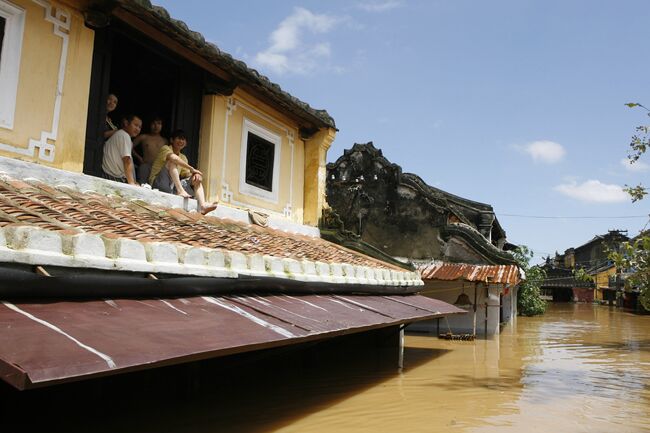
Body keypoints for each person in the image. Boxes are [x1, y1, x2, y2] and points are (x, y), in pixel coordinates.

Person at [149, 129, 217, 215]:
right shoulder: (165, 148)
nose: (181, 141)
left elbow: (186, 174)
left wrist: (195, 175)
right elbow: (173, 158)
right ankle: (180, 191)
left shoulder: (183, 157)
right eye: (179, 138)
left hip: (172, 188)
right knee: (172, 162)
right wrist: (192, 168)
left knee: (196, 177)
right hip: (157, 183)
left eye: (183, 139)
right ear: (171, 140)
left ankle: (203, 206)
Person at [102, 114, 142, 185]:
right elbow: (127, 160)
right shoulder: (124, 135)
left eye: (139, 127)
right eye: (135, 125)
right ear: (126, 123)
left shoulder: (121, 134)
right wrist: (131, 183)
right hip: (113, 178)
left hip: (109, 176)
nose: (137, 129)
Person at [133, 116, 168, 184]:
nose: (156, 126)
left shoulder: (165, 141)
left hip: (159, 168)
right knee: (142, 185)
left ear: (162, 125)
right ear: (150, 125)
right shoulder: (143, 137)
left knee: (158, 187)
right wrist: (139, 158)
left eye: (159, 123)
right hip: (146, 165)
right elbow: (129, 146)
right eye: (153, 123)